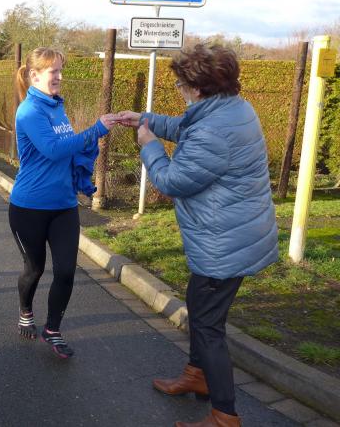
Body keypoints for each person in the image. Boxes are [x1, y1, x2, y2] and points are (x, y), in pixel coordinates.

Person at [116, 44, 278, 427]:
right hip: (232, 234)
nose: (179, 89)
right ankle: (197, 375)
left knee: (208, 327)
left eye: (181, 84)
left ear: (199, 88)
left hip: (224, 243)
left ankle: (224, 415)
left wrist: (149, 146)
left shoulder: (213, 131)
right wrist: (145, 119)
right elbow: (187, 127)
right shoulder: (233, 109)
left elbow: (172, 181)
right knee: (200, 306)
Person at [9, 47, 117, 359]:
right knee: (34, 269)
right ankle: (25, 310)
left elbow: (67, 148)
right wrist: (96, 130)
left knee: (66, 271)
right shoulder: (29, 111)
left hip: (64, 206)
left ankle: (53, 329)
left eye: (60, 70)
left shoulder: (57, 107)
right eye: (53, 71)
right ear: (34, 75)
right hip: (29, 207)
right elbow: (53, 149)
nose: (59, 76)